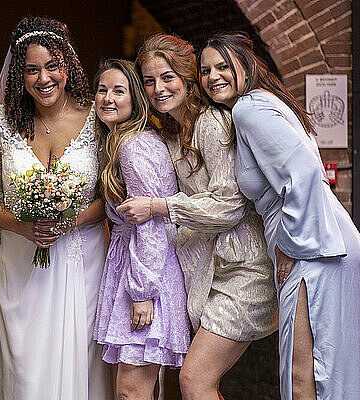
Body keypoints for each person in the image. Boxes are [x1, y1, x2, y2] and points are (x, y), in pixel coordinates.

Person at [198, 32, 360, 400]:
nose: (213, 77)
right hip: (325, 239)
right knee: (327, 369)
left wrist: (289, 245)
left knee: (303, 375)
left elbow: (302, 173)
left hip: (313, 247)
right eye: (205, 70)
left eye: (223, 66)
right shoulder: (263, 103)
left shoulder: (248, 109)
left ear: (246, 65)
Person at [116, 34, 277, 400]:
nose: (158, 88)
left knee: (194, 380)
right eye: (149, 80)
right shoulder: (170, 134)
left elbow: (229, 204)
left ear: (189, 79)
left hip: (243, 271)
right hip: (208, 274)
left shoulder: (211, 123)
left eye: (168, 77)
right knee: (199, 383)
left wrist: (158, 206)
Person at [0, 16, 112, 400]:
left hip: (83, 262)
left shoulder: (98, 119)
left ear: (67, 66)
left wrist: (69, 220)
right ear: (19, 75)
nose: (44, 78)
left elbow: (113, 197)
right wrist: (22, 225)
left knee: (84, 369)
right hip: (20, 264)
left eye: (52, 66)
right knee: (23, 375)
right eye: (32, 70)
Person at [92, 58, 190, 400]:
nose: (107, 98)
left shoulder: (134, 148)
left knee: (131, 392)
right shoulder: (126, 141)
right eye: (102, 90)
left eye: (119, 91)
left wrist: (143, 292)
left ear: (135, 98)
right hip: (132, 269)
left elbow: (150, 225)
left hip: (146, 276)